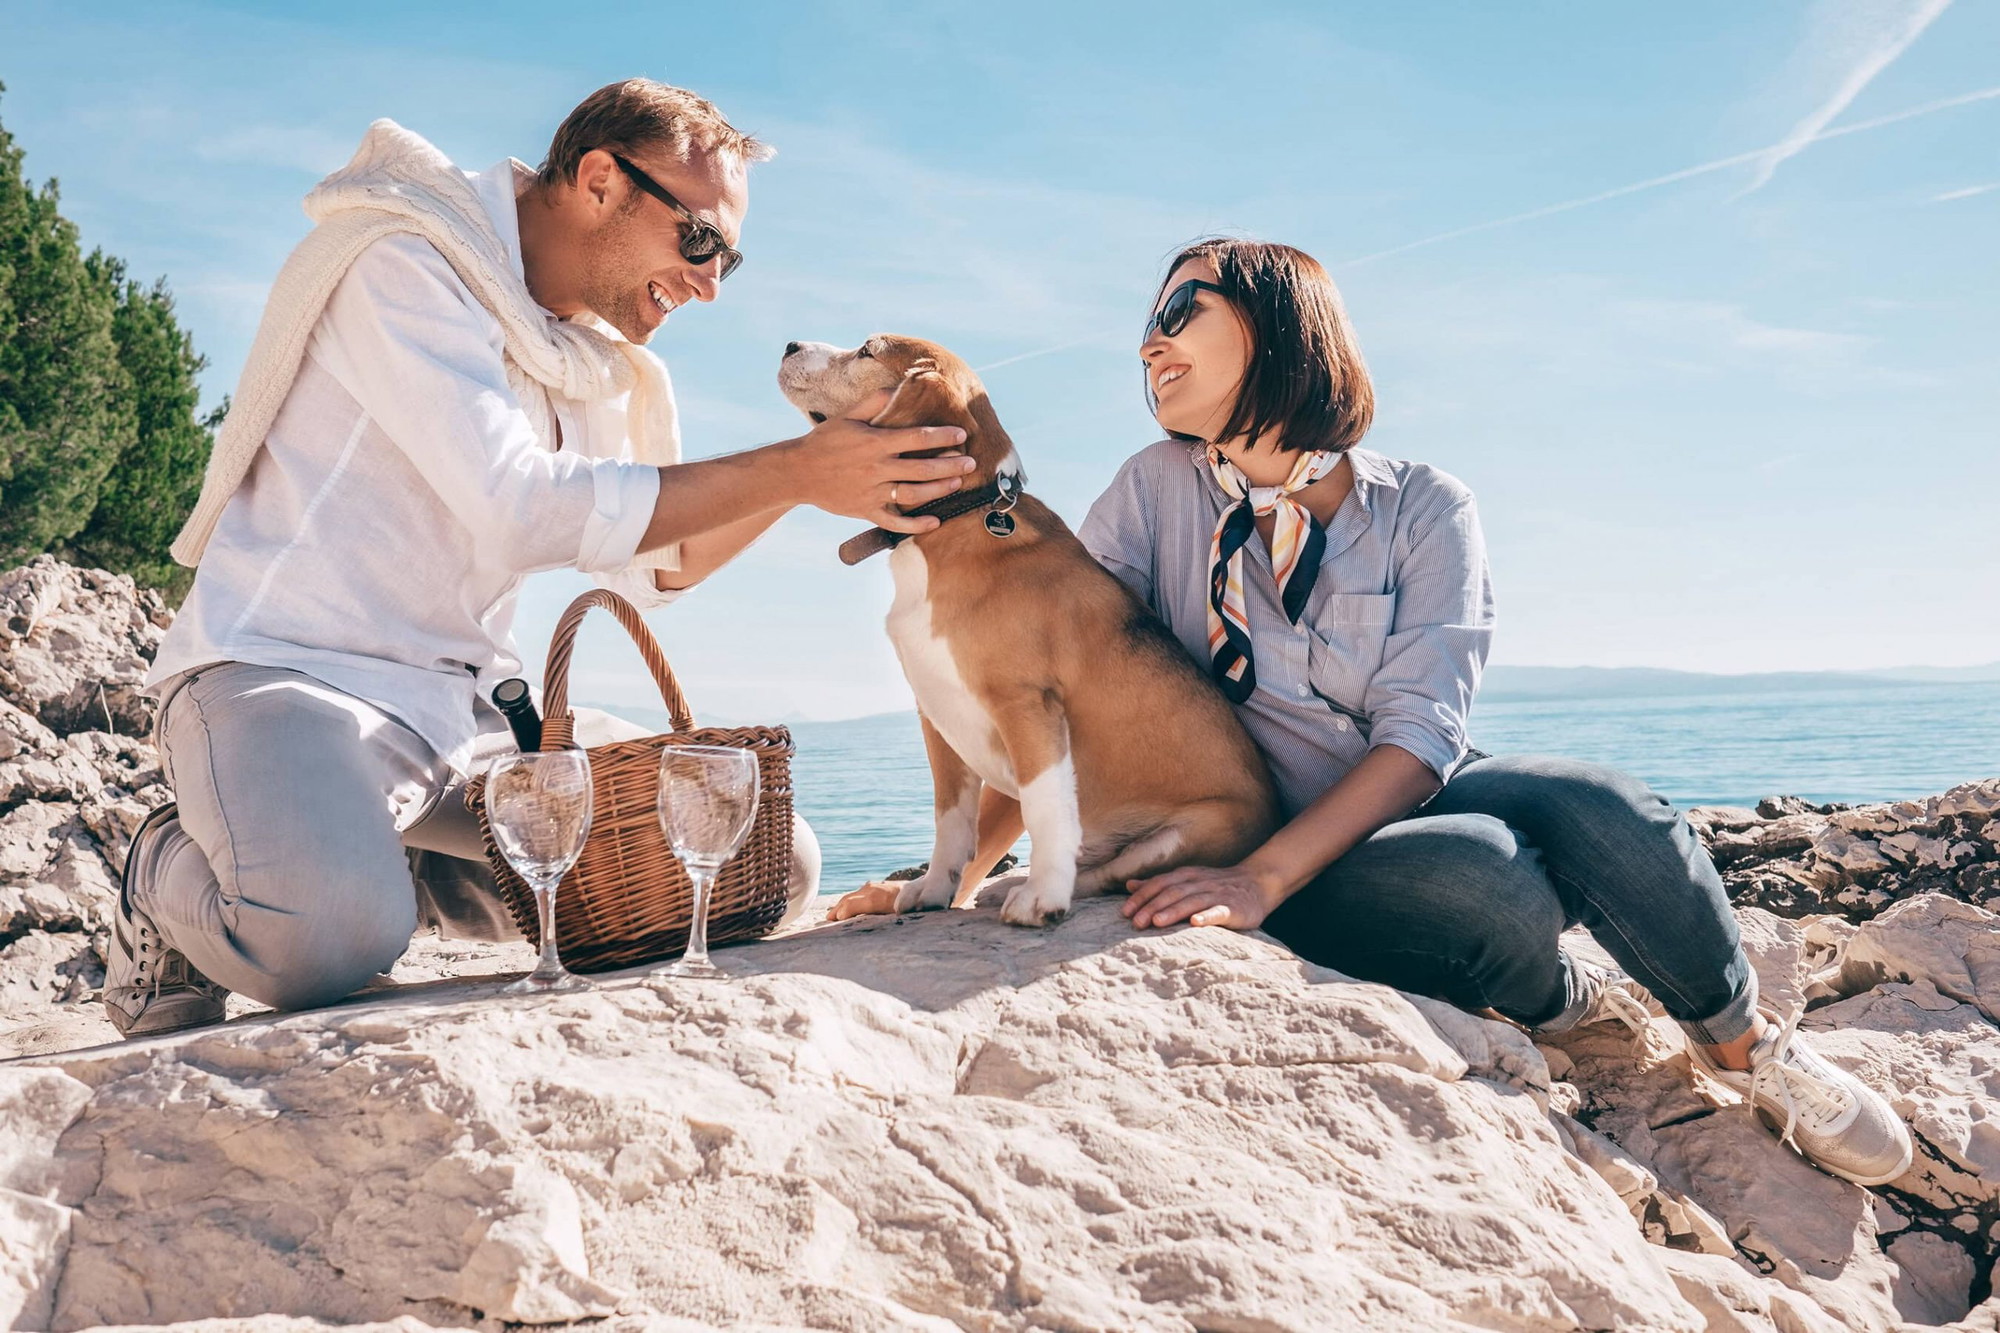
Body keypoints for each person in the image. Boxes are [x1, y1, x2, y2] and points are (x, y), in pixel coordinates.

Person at [865, 237, 1914, 1188]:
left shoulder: (1423, 504)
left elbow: (1420, 733)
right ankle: (1565, 1004)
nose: (1150, 338)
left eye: (1184, 308)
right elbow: (1049, 684)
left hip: (1401, 788)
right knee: (1481, 875)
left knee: (1604, 803)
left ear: (1281, 327)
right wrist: (947, 877)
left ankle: (1748, 1050)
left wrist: (1254, 883)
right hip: (1258, 829)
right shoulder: (1148, 491)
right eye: (1148, 318)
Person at [103, 79, 977, 1037]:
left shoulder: (584, 354)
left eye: (730, 256)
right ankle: (167, 864)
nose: (710, 283)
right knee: (328, 942)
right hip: (289, 674)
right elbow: (516, 507)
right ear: (601, 180)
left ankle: (380, 860)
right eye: (699, 241)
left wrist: (812, 476)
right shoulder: (406, 264)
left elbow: (665, 564)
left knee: (751, 859)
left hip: (468, 715)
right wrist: (796, 464)